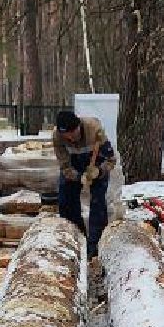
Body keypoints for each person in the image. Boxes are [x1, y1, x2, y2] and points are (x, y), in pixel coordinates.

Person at [52, 109, 114, 256]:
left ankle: (95, 247)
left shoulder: (94, 130)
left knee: (97, 203)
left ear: (79, 126)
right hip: (74, 166)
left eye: (74, 134)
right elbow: (65, 166)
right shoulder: (57, 137)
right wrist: (78, 177)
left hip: (96, 164)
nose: (71, 139)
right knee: (66, 201)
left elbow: (111, 160)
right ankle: (75, 239)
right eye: (67, 136)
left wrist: (99, 171)